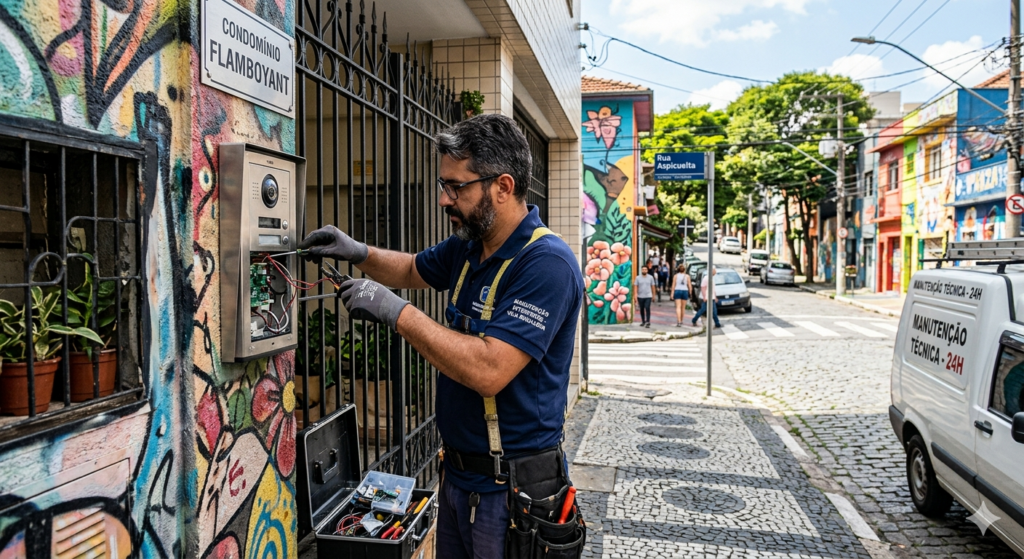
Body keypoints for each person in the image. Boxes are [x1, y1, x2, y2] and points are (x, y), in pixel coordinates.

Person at [297, 114, 584, 559]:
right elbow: (413, 268)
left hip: (509, 494)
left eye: (456, 187)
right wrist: (357, 252)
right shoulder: (473, 245)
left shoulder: (546, 264)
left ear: (503, 187)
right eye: (442, 184)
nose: (442, 199)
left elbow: (489, 370)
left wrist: (396, 312)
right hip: (458, 479)